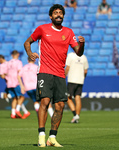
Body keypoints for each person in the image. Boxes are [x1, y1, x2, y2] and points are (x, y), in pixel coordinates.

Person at [24, 4, 85, 147]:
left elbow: (79, 52)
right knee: (45, 102)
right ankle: (41, 136)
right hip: (45, 71)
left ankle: (52, 137)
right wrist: (30, 53)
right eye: (56, 13)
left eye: (61, 13)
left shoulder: (69, 32)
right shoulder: (42, 29)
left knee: (60, 106)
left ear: (63, 16)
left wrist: (82, 44)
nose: (59, 15)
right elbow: (27, 42)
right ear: (51, 16)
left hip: (60, 74)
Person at [65, 52, 89, 123]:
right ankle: (77, 116)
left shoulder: (71, 55)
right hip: (80, 80)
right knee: (77, 97)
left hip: (72, 80)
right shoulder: (84, 57)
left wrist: (63, 76)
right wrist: (83, 77)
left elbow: (67, 68)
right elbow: (85, 71)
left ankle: (75, 115)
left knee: (68, 98)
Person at [6, 50, 30, 119]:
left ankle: (13, 114)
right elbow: (20, 72)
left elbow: (6, 72)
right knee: (22, 97)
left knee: (15, 98)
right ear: (18, 55)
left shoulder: (8, 63)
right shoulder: (18, 62)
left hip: (9, 83)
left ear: (12, 55)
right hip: (16, 82)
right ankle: (17, 110)